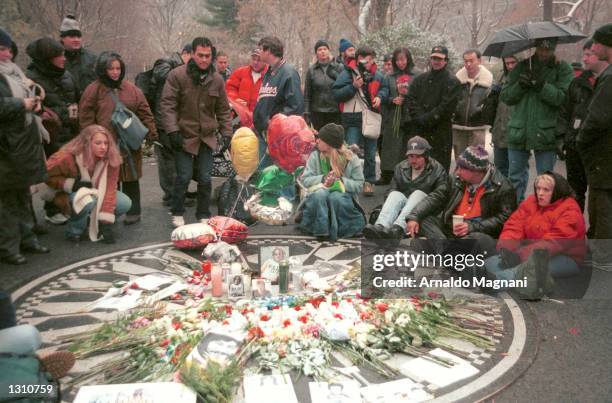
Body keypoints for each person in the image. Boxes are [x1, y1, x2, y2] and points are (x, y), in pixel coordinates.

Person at [160, 37, 232, 228]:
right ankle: (177, 211)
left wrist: (226, 133)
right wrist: (173, 130)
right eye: (200, 55)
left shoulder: (216, 79)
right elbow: (168, 105)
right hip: (184, 134)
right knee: (183, 176)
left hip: (206, 136)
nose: (204, 59)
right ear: (192, 54)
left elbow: (223, 109)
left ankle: (203, 213)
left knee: (205, 178)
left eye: (208, 56)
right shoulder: (177, 75)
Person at [79, 51, 157, 226]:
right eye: (110, 68)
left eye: (117, 68)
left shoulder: (130, 88)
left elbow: (144, 110)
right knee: (107, 181)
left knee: (131, 178)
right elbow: (86, 118)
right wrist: (91, 141)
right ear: (102, 70)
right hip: (105, 145)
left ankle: (133, 211)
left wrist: (151, 132)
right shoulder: (93, 90)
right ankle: (109, 212)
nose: (115, 72)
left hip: (128, 144)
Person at [485, 172, 586, 299]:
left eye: (546, 190)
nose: (540, 193)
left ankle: (495, 281)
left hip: (566, 258)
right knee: (501, 260)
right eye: (538, 188)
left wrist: (519, 256)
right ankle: (477, 271)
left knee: (527, 268)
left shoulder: (570, 210)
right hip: (532, 250)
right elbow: (514, 226)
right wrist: (506, 250)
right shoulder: (532, 201)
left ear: (557, 192)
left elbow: (553, 244)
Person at [500, 38, 573, 203]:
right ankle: (513, 217)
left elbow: (563, 98)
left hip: (546, 131)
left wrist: (541, 86)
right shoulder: (522, 66)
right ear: (536, 47)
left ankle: (543, 217)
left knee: (546, 181)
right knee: (514, 179)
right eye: (541, 48)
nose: (544, 53)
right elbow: (506, 96)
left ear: (554, 48)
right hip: (520, 131)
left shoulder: (563, 69)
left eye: (548, 49)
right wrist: (520, 85)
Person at [0, 27, 50, 265]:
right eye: (1, 49)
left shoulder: (15, 73)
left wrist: (34, 102)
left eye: (8, 49)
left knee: (22, 194)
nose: (6, 54)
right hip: (5, 146)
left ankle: (27, 238)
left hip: (21, 142)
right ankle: (9, 247)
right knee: (6, 199)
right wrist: (22, 104)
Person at [41, 125, 131, 243]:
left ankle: (95, 221)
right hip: (66, 193)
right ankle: (74, 231)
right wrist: (70, 184)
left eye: (106, 143)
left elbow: (110, 189)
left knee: (125, 203)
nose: (103, 147)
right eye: (98, 143)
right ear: (87, 143)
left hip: (95, 191)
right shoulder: (66, 156)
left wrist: (105, 220)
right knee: (86, 201)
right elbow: (44, 175)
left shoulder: (112, 158)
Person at [418, 146, 516, 248]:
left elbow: (505, 219)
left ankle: (445, 250)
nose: (457, 172)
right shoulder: (457, 178)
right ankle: (447, 249)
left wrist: (472, 227)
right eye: (457, 167)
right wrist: (414, 216)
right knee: (424, 220)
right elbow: (437, 196)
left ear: (476, 171)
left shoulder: (503, 186)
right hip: (453, 228)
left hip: (478, 232)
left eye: (462, 168)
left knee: (478, 238)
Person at [364, 136, 448, 240]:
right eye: (411, 156)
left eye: (418, 156)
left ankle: (398, 229)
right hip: (404, 209)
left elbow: (438, 197)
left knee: (418, 193)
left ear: (426, 156)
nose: (413, 160)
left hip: (425, 211)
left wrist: (414, 214)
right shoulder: (400, 167)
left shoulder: (438, 170)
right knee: (394, 194)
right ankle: (381, 226)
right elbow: (392, 190)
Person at [576, 23, 612, 271]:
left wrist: (581, 139)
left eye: (597, 43)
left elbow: (598, 117)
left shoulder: (609, 78)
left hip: (603, 153)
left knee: (602, 203)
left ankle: (602, 256)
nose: (593, 47)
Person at [558, 40, 607, 213]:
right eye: (584, 54)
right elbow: (565, 113)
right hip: (575, 147)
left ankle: (596, 233)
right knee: (574, 193)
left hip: (599, 152)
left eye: (589, 54)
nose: (585, 59)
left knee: (599, 196)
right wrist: (562, 139)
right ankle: (573, 228)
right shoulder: (577, 83)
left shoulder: (606, 83)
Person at [332, 46, 384, 196]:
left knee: (370, 153)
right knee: (350, 151)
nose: (365, 63)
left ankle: (369, 182)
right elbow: (336, 93)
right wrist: (353, 86)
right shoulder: (347, 73)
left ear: (373, 59)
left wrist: (380, 97)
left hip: (371, 116)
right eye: (362, 59)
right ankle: (349, 180)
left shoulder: (378, 75)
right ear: (357, 59)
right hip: (352, 117)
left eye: (368, 59)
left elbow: (385, 89)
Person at [299, 123, 365, 241]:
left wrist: (340, 181)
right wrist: (323, 179)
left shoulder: (351, 159)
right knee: (320, 194)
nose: (317, 141)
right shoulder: (315, 156)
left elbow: (359, 184)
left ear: (329, 144)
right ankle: (321, 230)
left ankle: (346, 228)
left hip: (343, 196)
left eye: (321, 139)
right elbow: (305, 179)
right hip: (319, 192)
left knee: (336, 197)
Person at [149, 44, 192, 207]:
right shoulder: (165, 63)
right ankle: (171, 195)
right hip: (164, 121)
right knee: (168, 161)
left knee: (178, 158)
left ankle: (178, 191)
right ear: (186, 54)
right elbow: (161, 76)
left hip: (177, 121)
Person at [407, 46, 461, 172]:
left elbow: (446, 107)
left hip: (440, 131)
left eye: (439, 59)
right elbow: (411, 100)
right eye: (434, 58)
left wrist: (428, 119)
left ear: (446, 60)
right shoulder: (420, 79)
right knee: (419, 166)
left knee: (439, 168)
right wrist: (420, 118)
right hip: (420, 129)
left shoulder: (453, 81)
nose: (436, 61)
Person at [253, 36, 304, 169]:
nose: (258, 52)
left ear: (268, 50)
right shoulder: (269, 72)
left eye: (260, 49)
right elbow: (265, 101)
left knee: (280, 178)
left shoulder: (289, 73)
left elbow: (296, 106)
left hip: (280, 138)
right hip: (265, 134)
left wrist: (274, 123)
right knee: (265, 177)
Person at [25, 37, 78, 156]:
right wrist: (65, 113)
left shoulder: (67, 76)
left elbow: (78, 100)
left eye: (63, 54)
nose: (64, 59)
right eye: (59, 56)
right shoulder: (30, 80)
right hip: (48, 144)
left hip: (74, 138)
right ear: (47, 59)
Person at [377, 47, 418, 185]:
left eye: (403, 59)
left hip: (410, 115)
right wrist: (392, 100)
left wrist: (406, 99)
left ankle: (408, 174)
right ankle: (387, 173)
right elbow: (384, 94)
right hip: (393, 114)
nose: (401, 63)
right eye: (398, 60)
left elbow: (419, 95)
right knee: (390, 145)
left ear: (408, 59)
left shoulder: (416, 76)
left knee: (407, 145)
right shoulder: (389, 77)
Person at [452, 49, 493, 159]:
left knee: (477, 162)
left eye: (471, 61)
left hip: (477, 128)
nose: (468, 64)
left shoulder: (488, 81)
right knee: (460, 162)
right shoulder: (457, 80)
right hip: (458, 127)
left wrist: (483, 115)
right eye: (465, 61)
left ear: (479, 61)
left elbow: (490, 104)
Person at [486, 55, 519, 178]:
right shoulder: (500, 78)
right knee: (499, 168)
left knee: (516, 171)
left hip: (516, 131)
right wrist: (493, 92)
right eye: (507, 63)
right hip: (499, 129)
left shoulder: (524, 78)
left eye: (513, 62)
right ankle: (502, 195)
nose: (510, 66)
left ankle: (516, 196)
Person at [304, 40, 343, 130]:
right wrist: (306, 112)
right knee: (320, 141)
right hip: (317, 112)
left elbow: (343, 88)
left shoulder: (338, 67)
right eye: (319, 49)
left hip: (335, 112)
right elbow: (307, 94)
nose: (322, 51)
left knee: (333, 140)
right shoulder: (311, 70)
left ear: (329, 51)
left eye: (325, 49)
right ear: (316, 53)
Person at [59, 15, 96, 100]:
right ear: (62, 38)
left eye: (78, 36)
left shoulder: (92, 59)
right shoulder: (54, 59)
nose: (76, 40)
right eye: (72, 36)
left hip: (88, 108)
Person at [225, 48, 267, 113]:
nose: (255, 62)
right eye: (253, 59)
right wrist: (235, 100)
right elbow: (229, 88)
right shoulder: (240, 72)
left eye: (259, 60)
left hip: (259, 118)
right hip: (239, 116)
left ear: (265, 61)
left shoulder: (271, 76)